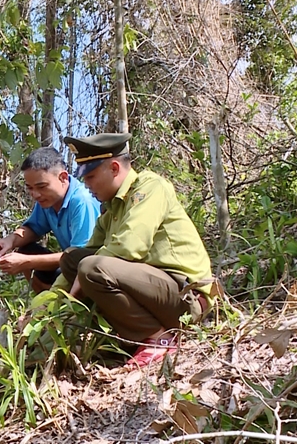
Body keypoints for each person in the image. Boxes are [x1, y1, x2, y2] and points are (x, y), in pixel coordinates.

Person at [51, 132, 212, 369]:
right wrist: (46, 307)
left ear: (114, 168)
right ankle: (134, 335)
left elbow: (130, 246)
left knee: (90, 268)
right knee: (72, 259)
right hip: (154, 293)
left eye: (91, 176)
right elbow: (81, 259)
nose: (86, 184)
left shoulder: (149, 187)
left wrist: (82, 280)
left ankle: (160, 339)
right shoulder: (112, 208)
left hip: (186, 298)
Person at [0, 147, 101, 293]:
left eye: (41, 187)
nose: (35, 194)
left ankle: (59, 306)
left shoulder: (82, 201)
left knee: (29, 258)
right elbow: (33, 229)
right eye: (30, 188)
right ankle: (43, 302)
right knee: (27, 250)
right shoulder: (48, 200)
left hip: (91, 272)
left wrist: (25, 261)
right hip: (70, 265)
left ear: (63, 177)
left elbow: (80, 258)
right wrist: (10, 240)